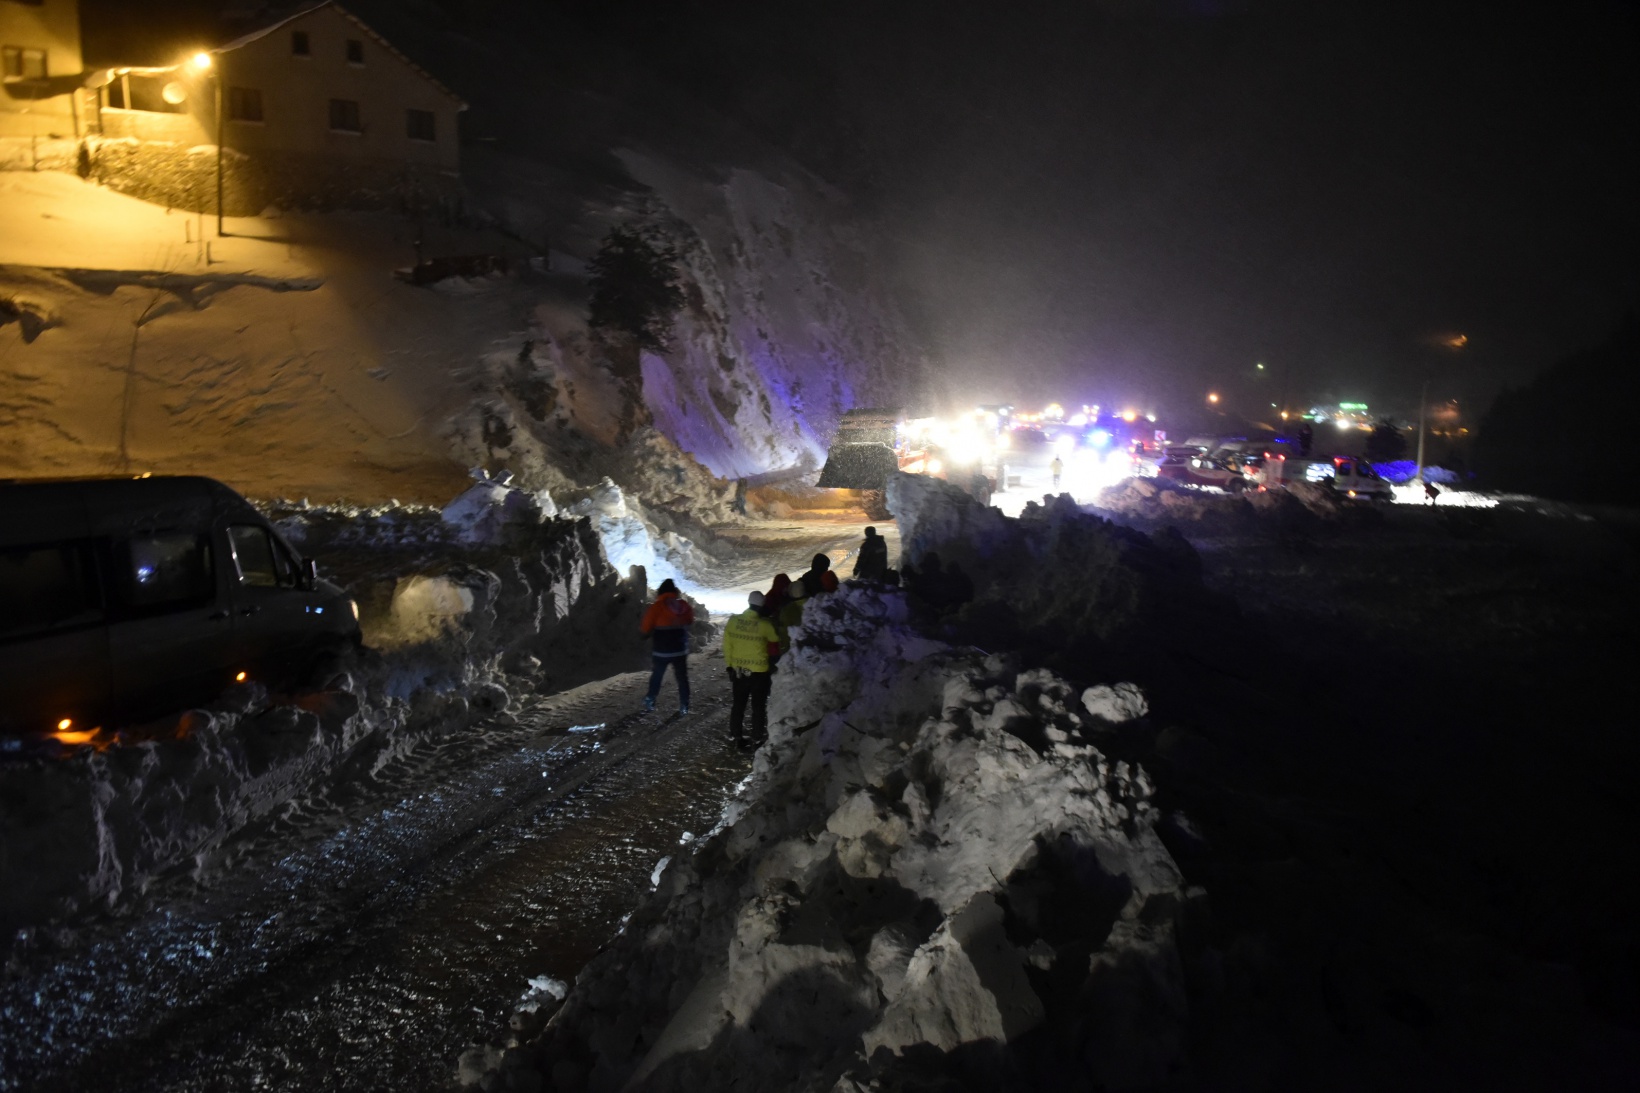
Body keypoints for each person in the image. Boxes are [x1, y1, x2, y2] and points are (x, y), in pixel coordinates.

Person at [723, 591, 780, 748]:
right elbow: (775, 638)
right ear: (762, 606)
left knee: (738, 705)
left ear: (748, 603)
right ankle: (756, 738)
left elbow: (727, 645)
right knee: (758, 706)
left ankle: (736, 736)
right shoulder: (765, 625)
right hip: (759, 672)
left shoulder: (733, 621)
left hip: (739, 671)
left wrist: (730, 665)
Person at [640, 578, 694, 714]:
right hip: (680, 650)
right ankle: (684, 704)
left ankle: (650, 699)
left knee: (657, 676)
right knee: (682, 678)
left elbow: (646, 627)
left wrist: (645, 635)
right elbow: (690, 620)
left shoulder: (657, 607)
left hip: (661, 651)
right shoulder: (683, 605)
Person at [774, 580, 808, 661]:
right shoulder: (815, 603)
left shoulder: (787, 610)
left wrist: (784, 650)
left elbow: (784, 632)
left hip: (795, 650)